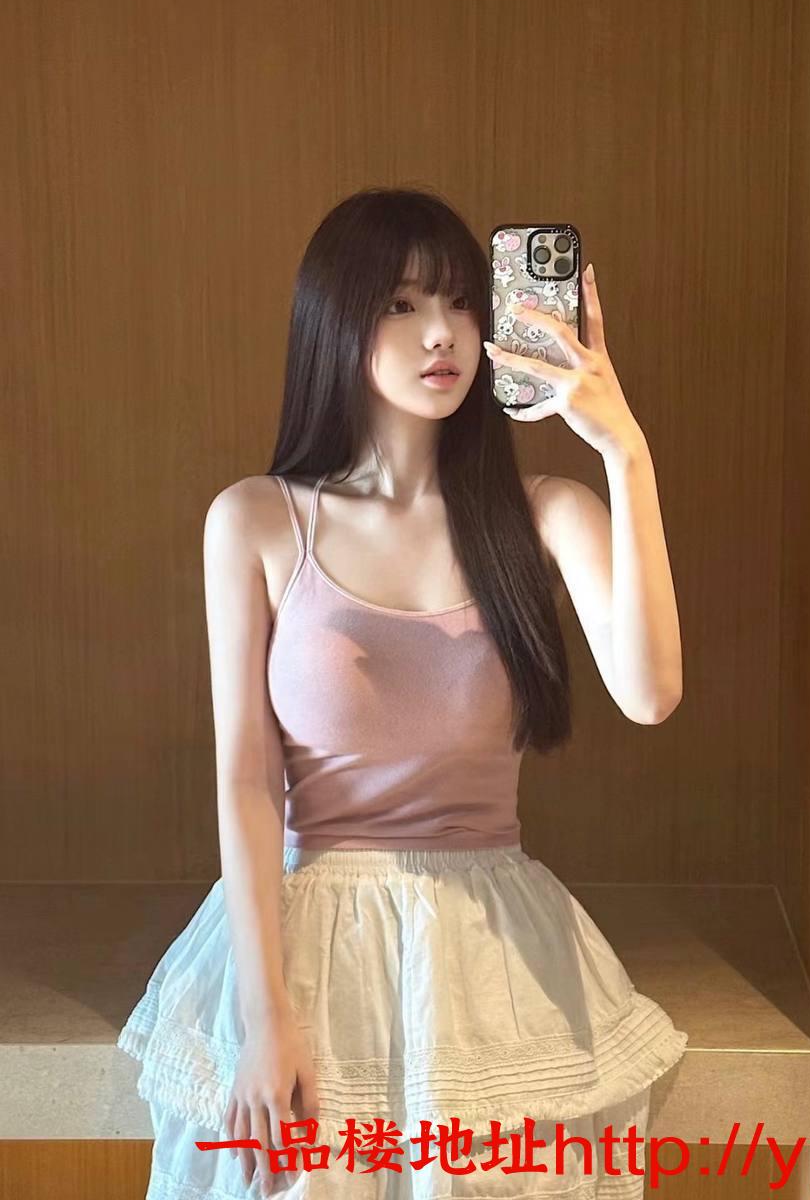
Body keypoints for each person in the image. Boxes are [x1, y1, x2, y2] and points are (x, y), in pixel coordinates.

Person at [117, 186, 687, 1199]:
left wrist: (622, 448)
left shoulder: (544, 515)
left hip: (489, 950)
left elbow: (650, 693)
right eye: (402, 303)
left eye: (463, 302)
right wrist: (264, 1013)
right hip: (304, 938)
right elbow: (247, 779)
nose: (442, 332)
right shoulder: (255, 520)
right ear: (336, 322)